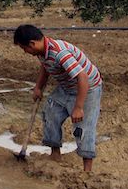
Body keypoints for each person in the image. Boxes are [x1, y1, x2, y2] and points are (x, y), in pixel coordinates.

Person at [13, 24, 102, 172]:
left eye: (24, 48)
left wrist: (79, 107)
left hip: (88, 87)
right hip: (67, 87)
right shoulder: (42, 52)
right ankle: (55, 154)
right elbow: (45, 67)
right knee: (50, 112)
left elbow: (83, 77)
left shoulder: (60, 53)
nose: (25, 52)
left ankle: (87, 171)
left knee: (83, 128)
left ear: (32, 44)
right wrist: (38, 87)